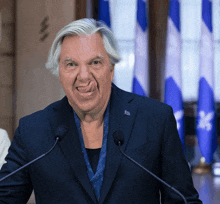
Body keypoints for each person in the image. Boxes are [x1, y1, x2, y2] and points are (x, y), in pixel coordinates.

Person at [0, 18, 202, 204]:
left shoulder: (155, 119)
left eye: (94, 63)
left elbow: (184, 200)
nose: (84, 76)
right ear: (59, 71)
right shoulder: (33, 130)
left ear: (111, 68)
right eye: (71, 65)